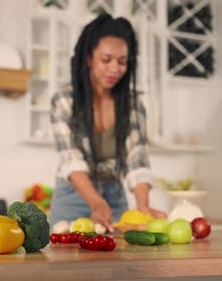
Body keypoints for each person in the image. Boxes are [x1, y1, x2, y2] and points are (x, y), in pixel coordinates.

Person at [49, 13, 166, 232]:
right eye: (106, 59)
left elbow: (136, 159)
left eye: (122, 62)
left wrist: (143, 205)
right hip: (72, 197)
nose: (115, 68)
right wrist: (96, 202)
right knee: (67, 262)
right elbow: (71, 160)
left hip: (114, 196)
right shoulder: (64, 101)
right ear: (88, 58)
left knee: (115, 264)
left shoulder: (132, 104)